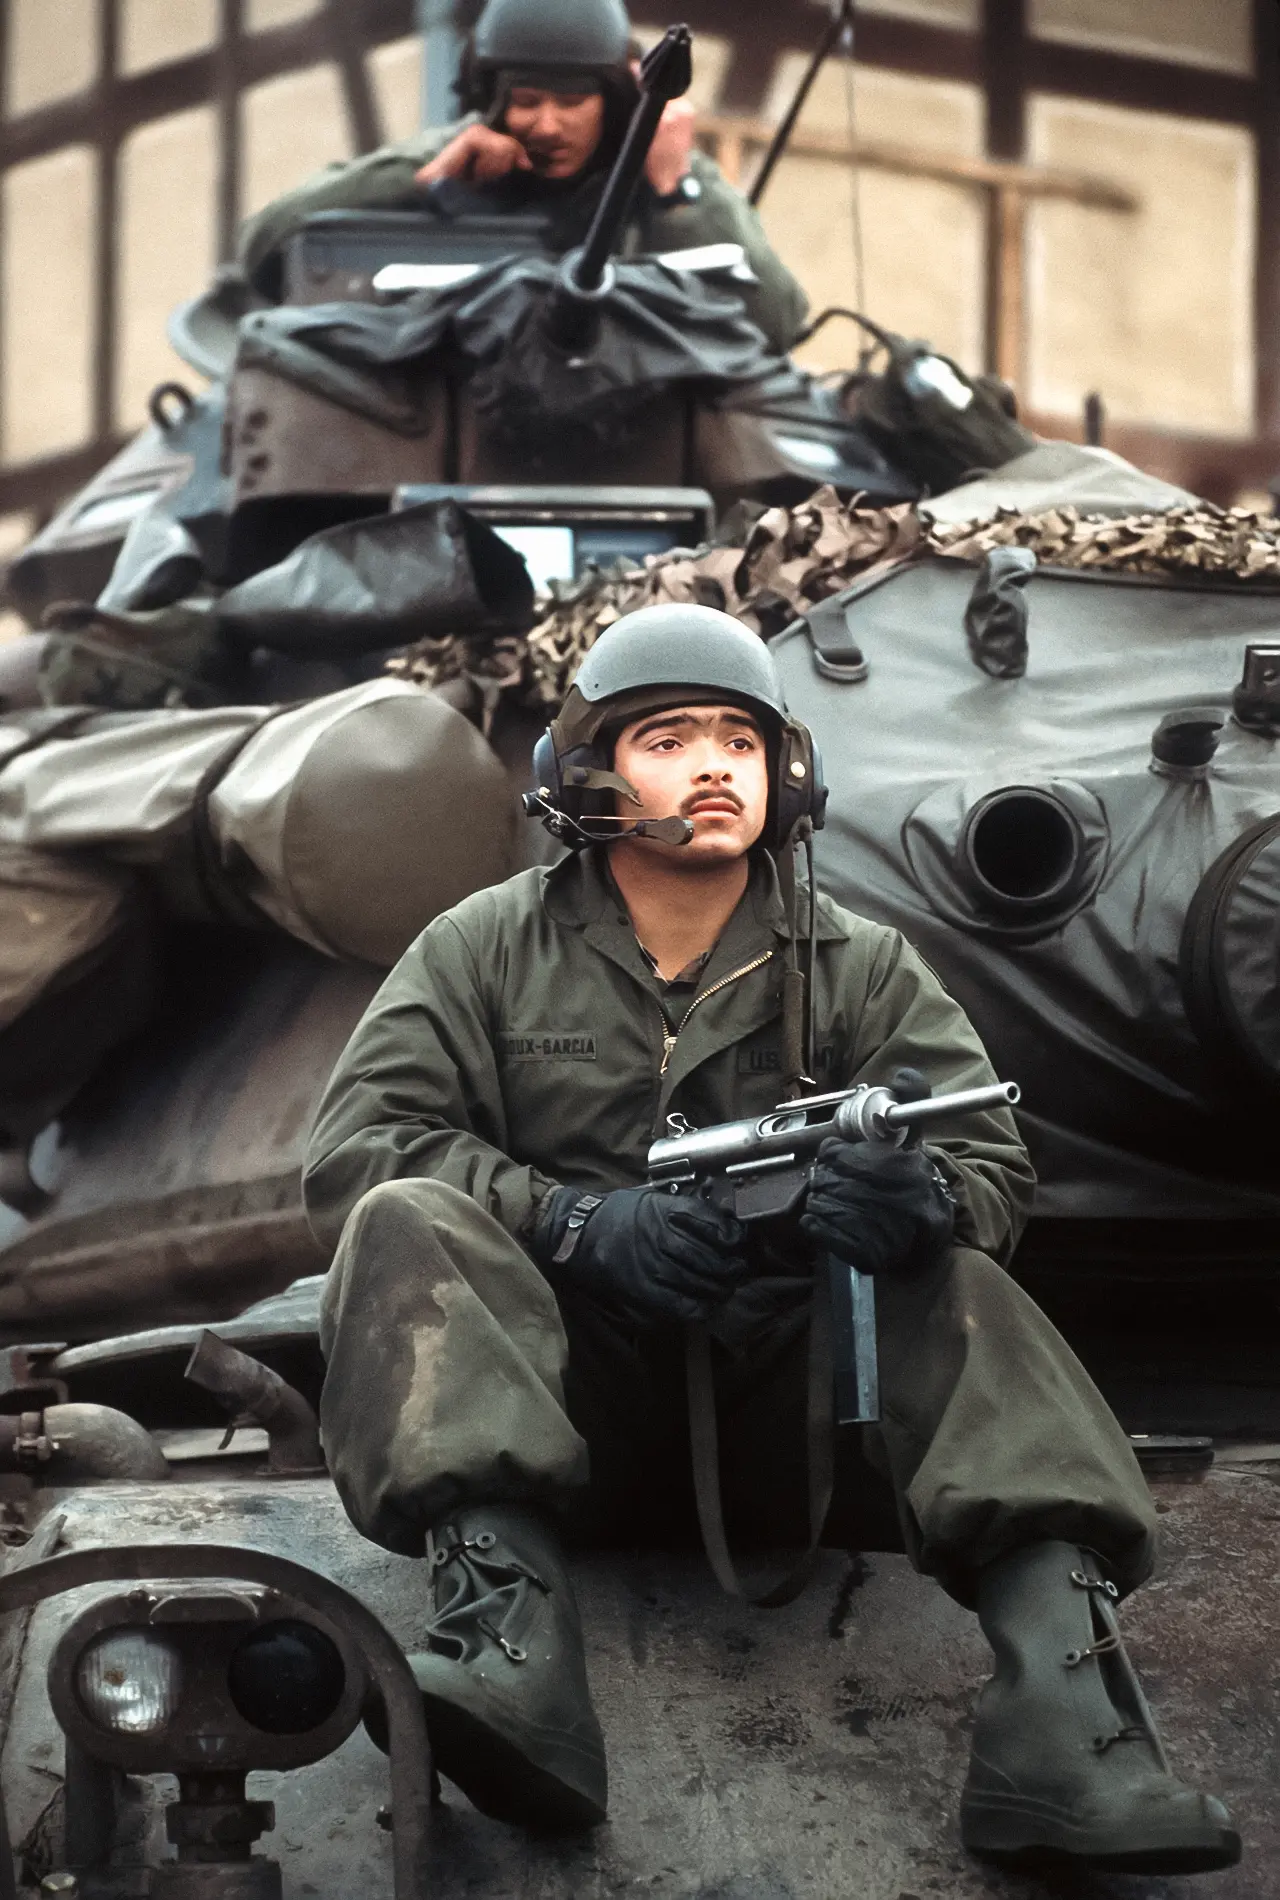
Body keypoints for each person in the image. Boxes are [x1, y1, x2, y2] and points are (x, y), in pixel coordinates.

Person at [305, 604, 1239, 1872]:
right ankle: (507, 1661)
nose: (711, 767)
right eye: (669, 737)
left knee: (953, 1279)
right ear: (587, 770)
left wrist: (922, 1202)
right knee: (406, 1214)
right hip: (561, 1413)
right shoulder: (484, 949)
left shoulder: (858, 965)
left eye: (739, 741)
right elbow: (363, 1147)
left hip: (807, 1429)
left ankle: (1065, 1729)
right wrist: (578, 1220)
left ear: (784, 771)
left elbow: (988, 1167)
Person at [236, 0, 808, 353]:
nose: (549, 125)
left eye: (573, 101)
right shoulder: (456, 161)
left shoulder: (666, 173)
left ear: (612, 100)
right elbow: (266, 242)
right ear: (494, 100)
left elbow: (775, 326)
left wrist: (678, 194)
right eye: (528, 100)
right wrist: (417, 179)